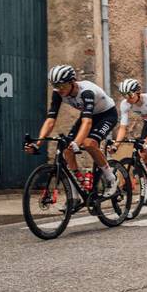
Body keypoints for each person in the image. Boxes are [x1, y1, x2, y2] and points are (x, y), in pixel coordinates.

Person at [27, 65, 119, 195]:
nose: (59, 89)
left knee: (88, 143)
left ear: (72, 82)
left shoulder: (87, 92)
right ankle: (76, 191)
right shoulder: (58, 92)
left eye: (62, 85)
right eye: (55, 85)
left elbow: (87, 122)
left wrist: (77, 142)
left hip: (106, 115)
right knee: (66, 148)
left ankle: (111, 178)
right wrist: (38, 143)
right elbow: (50, 120)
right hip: (88, 115)